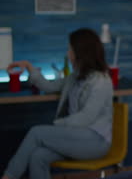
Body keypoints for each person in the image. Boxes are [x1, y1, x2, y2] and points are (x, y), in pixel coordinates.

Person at [2, 28, 114, 179]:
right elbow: (49, 86)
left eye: (70, 49)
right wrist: (29, 67)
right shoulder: (76, 76)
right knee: (38, 156)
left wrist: (57, 125)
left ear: (81, 52)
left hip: (96, 142)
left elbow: (86, 118)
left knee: (37, 132)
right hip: (76, 137)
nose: (68, 53)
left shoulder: (101, 82)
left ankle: (8, 177)